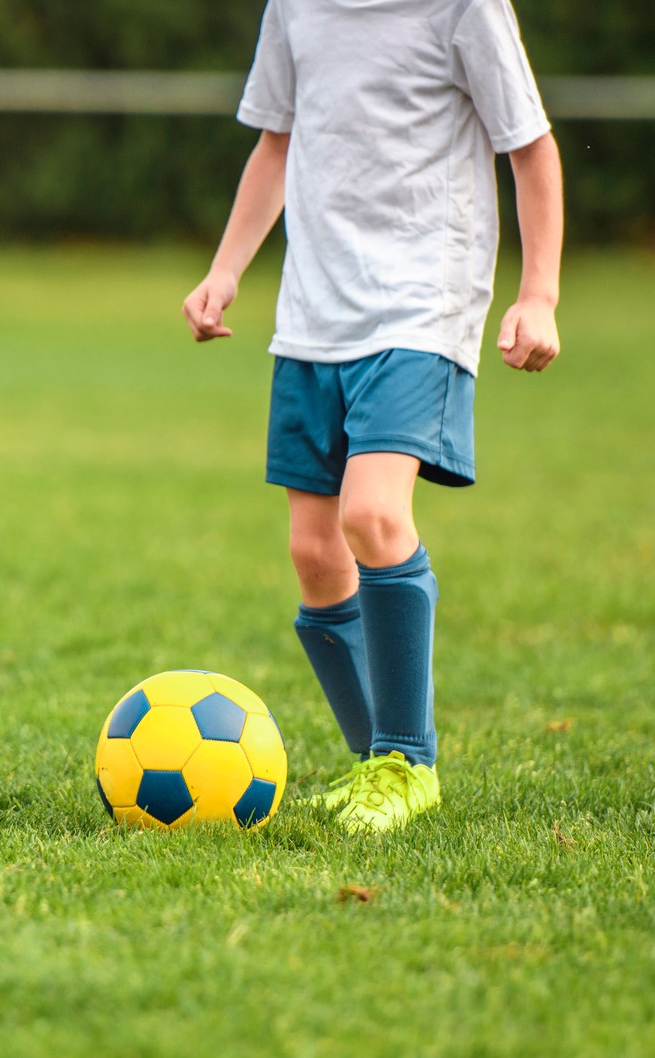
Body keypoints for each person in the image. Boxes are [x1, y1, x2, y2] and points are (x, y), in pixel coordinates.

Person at [183, 0, 564, 831]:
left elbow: (530, 148)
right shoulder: (295, 7)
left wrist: (538, 294)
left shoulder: (465, 7)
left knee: (373, 514)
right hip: (313, 313)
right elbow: (276, 145)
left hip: (422, 306)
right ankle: (376, 770)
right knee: (315, 553)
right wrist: (225, 271)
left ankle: (407, 763)